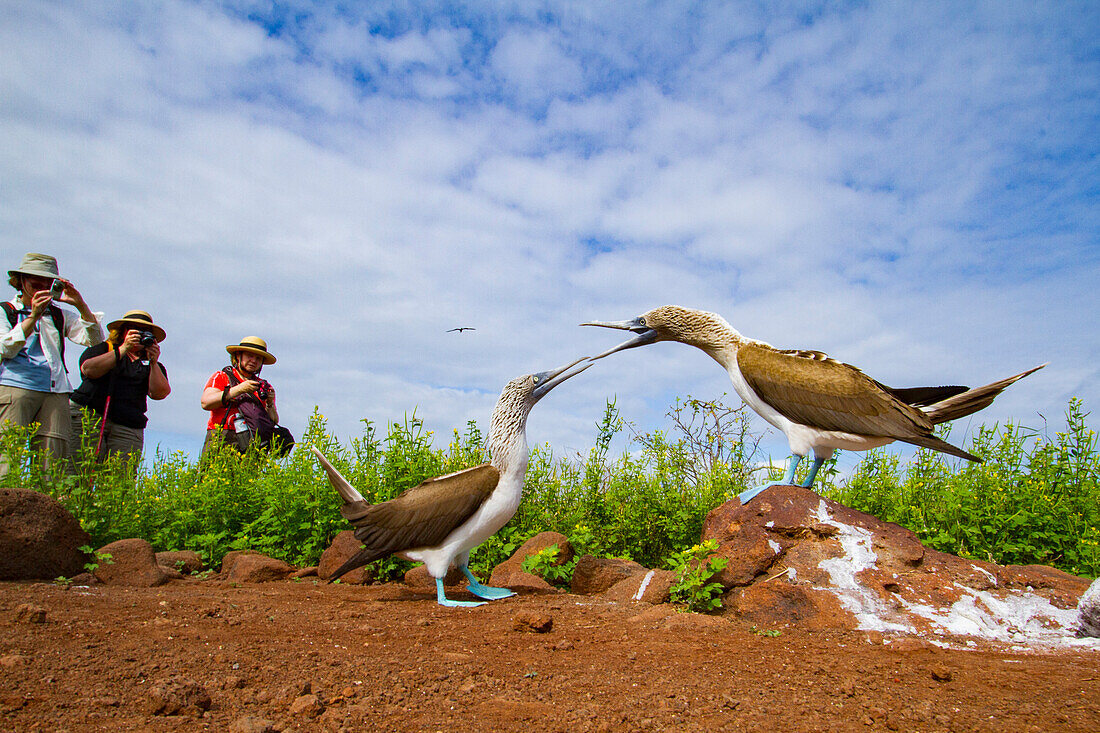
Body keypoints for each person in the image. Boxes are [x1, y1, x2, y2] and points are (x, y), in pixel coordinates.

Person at [0, 253, 104, 475]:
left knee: (53, 458)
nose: (42, 288)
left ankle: (45, 505)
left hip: (55, 390)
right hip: (14, 387)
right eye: (36, 283)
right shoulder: (5, 311)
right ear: (20, 281)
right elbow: (6, 348)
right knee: (8, 455)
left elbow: (95, 340)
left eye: (48, 284)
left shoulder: (58, 315)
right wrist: (33, 316)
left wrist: (80, 305)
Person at [69, 310, 170, 467]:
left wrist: (153, 362)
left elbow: (159, 393)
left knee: (120, 478)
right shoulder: (104, 348)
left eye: (144, 332)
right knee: (79, 468)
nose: (140, 335)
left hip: (128, 425)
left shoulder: (151, 365)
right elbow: (88, 370)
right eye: (134, 330)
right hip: (90, 416)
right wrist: (124, 348)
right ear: (123, 331)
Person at [201, 336, 289, 455]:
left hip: (252, 443)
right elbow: (206, 402)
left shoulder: (264, 387)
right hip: (223, 438)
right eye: (250, 356)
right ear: (238, 356)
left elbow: (273, 420)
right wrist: (239, 389)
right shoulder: (222, 376)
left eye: (258, 358)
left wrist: (269, 403)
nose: (254, 361)